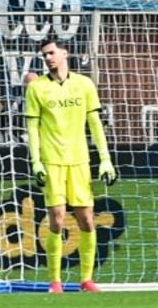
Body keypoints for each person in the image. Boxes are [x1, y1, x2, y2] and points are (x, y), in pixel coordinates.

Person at [25, 37, 116, 294]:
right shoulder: (37, 89)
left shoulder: (84, 84)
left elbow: (95, 123)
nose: (48, 58)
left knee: (87, 219)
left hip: (79, 160)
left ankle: (86, 279)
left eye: (52, 52)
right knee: (57, 218)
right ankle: (55, 281)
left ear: (65, 53)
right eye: (44, 55)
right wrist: (36, 161)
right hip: (52, 161)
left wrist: (105, 158)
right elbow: (32, 128)